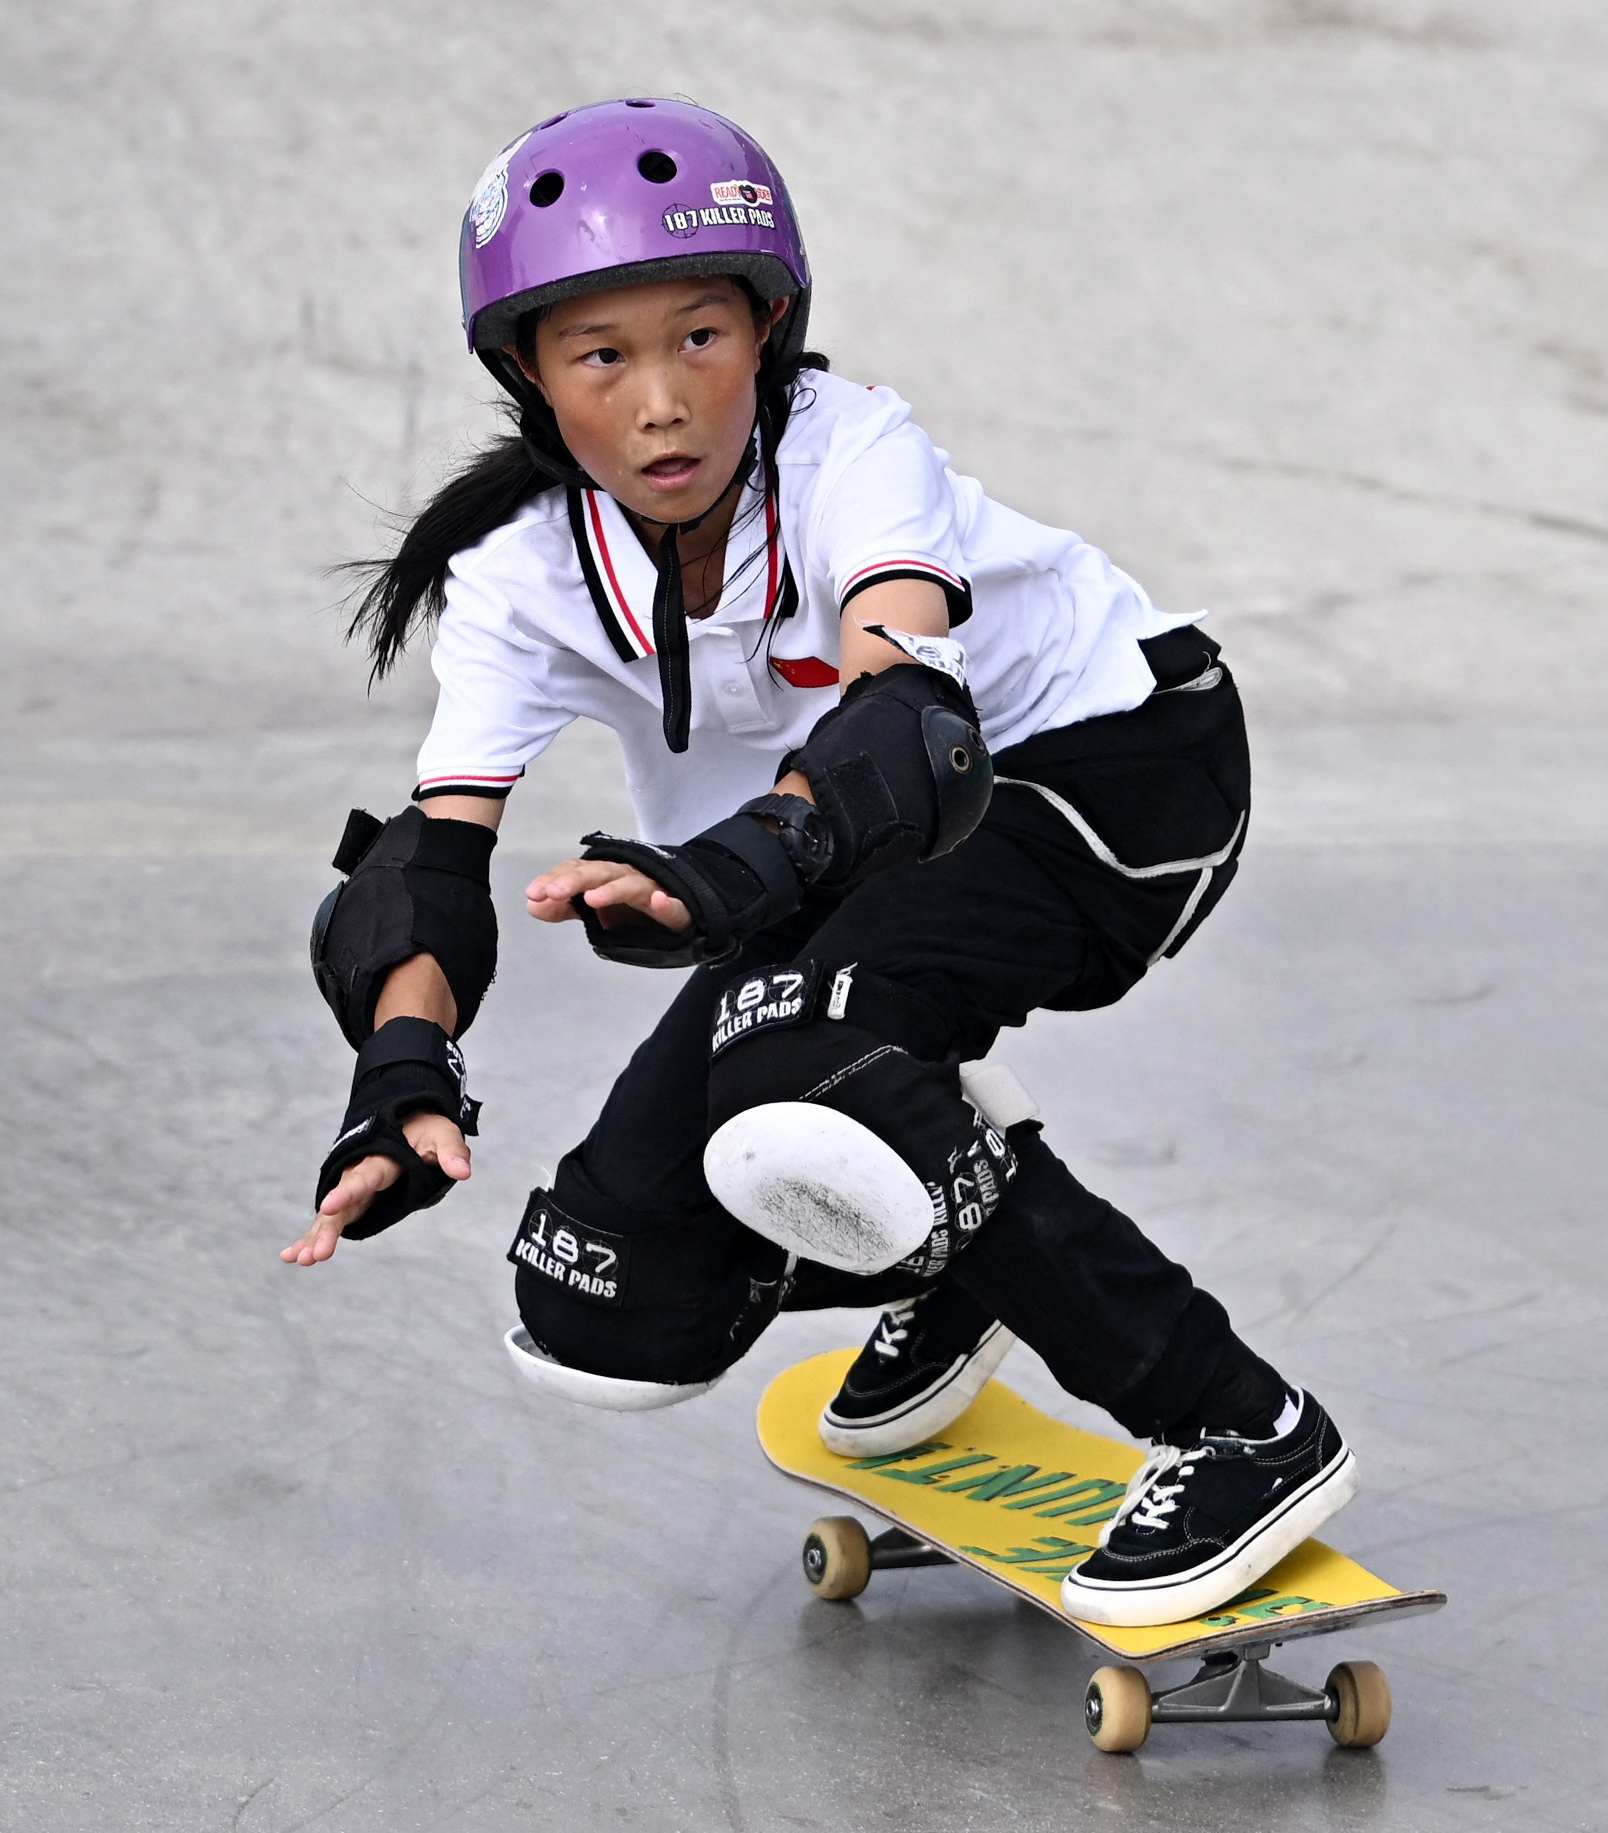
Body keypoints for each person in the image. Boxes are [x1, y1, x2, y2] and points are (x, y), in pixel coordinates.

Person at [280, 99, 1354, 1627]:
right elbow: (429, 867)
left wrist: (726, 879)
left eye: (699, 338)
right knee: (596, 1305)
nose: (662, 402)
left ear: (769, 327)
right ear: (529, 372)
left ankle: (1238, 1421)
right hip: (830, 849)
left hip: (1111, 771)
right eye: (602, 356)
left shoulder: (854, 452)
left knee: (804, 1056)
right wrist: (400, 1069)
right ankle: (963, 1247)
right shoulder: (520, 571)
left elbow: (904, 723)